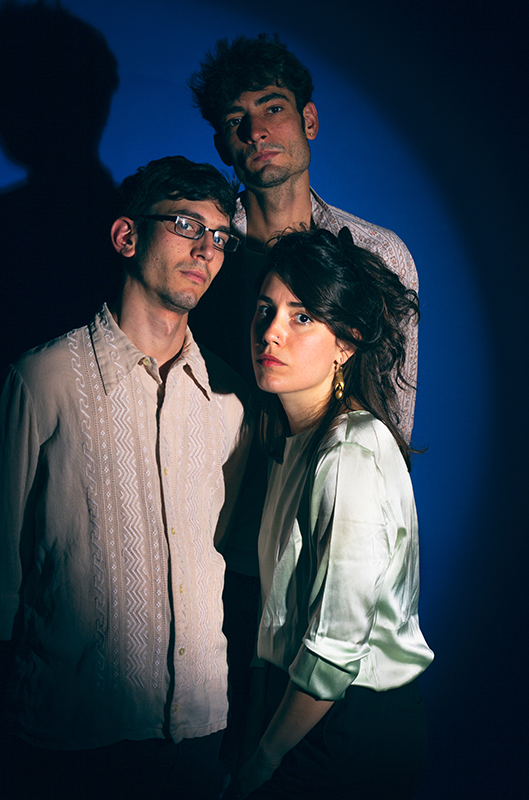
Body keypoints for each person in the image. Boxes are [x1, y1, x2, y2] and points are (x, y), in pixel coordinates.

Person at [0, 156, 250, 800]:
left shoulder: (231, 402)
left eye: (220, 236)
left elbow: (220, 549)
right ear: (126, 237)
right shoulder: (39, 381)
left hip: (199, 734)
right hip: (72, 741)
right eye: (186, 225)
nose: (207, 249)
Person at [231, 226, 433, 800]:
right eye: (265, 310)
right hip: (297, 707)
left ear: (346, 343)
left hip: (344, 725)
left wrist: (262, 761)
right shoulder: (292, 441)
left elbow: (336, 649)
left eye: (301, 317)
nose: (271, 332)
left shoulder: (350, 451)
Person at [188, 33, 417, 441]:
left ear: (308, 120)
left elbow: (393, 416)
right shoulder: (201, 251)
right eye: (236, 120)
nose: (256, 131)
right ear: (222, 147)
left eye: (273, 108)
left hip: (326, 470)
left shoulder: (376, 252)